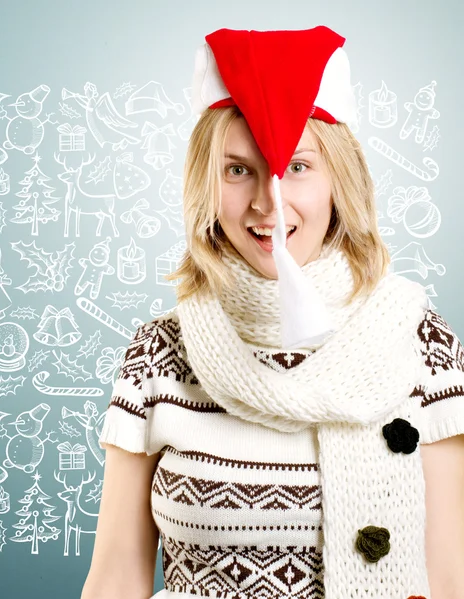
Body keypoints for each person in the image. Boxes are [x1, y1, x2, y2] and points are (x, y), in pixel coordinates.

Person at [82, 26, 464, 599]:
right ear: (206, 185)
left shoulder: (418, 343)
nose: (267, 202)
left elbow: (449, 578)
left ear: (341, 179)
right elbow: (116, 578)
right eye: (239, 170)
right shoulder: (159, 353)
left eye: (298, 167)